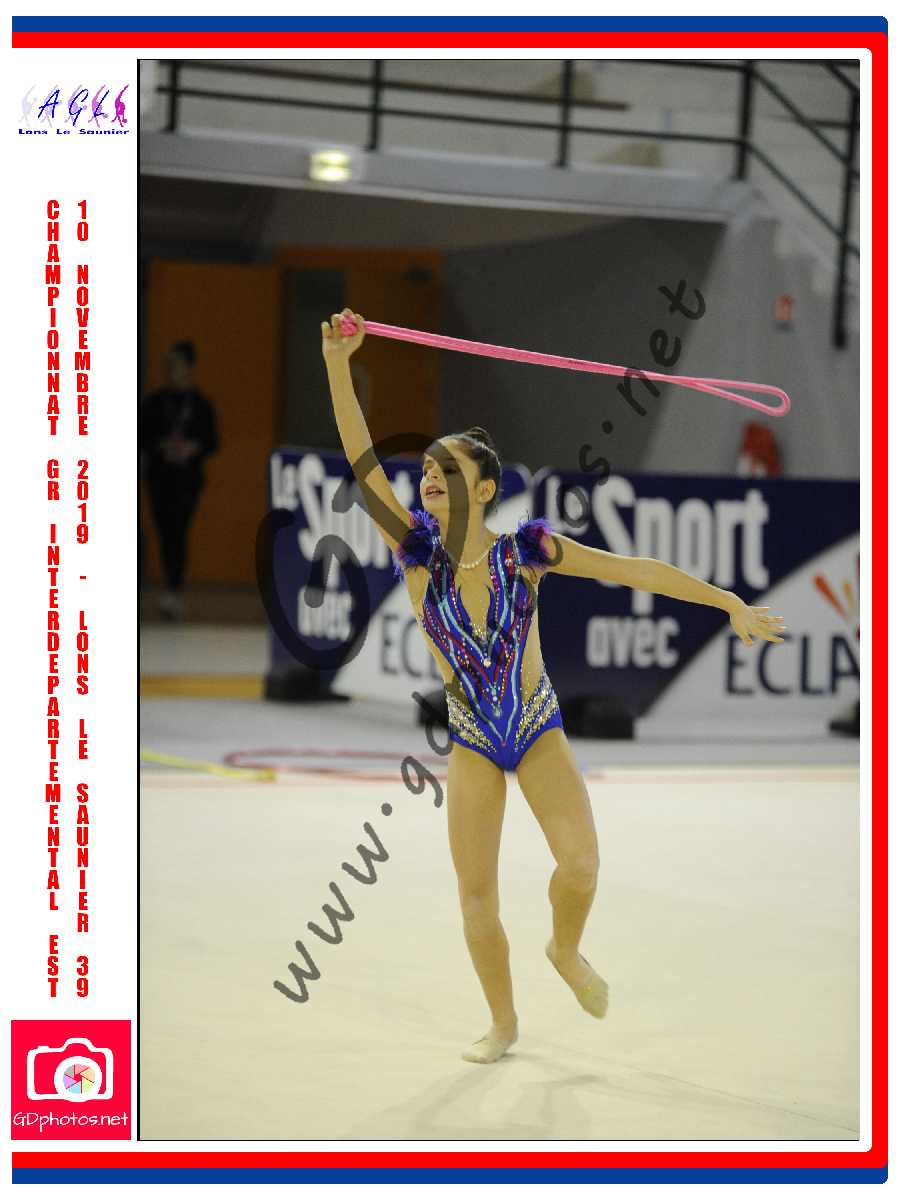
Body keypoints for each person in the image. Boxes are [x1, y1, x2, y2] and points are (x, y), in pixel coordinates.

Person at [322, 308, 787, 1065]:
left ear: (485, 487)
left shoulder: (527, 552)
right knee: (477, 899)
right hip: (474, 738)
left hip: (536, 728)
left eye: (446, 469)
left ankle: (564, 950)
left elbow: (633, 570)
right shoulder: (415, 552)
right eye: (427, 468)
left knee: (580, 866)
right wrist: (339, 363)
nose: (428, 476)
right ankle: (504, 1023)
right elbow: (360, 460)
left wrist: (727, 602)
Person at [139, 340, 219, 621]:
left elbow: (212, 441)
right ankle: (168, 586)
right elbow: (142, 436)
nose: (172, 370)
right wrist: (162, 446)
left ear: (189, 367)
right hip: (160, 477)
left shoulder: (201, 405)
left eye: (177, 365)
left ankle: (174, 588)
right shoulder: (154, 402)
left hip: (188, 480)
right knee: (164, 531)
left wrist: (191, 448)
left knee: (179, 531)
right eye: (169, 365)